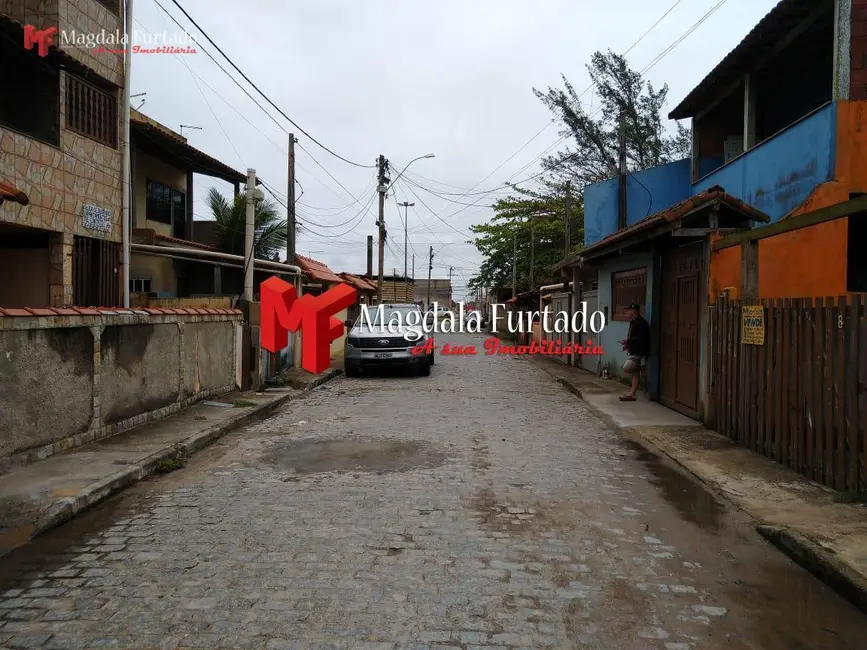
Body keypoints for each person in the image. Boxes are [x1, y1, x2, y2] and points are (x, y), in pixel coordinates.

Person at [618, 302, 650, 402]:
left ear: (633, 311)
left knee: (627, 367)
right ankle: (632, 394)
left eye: (628, 311)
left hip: (639, 351)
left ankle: (640, 367)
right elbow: (632, 337)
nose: (627, 313)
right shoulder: (633, 322)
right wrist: (627, 344)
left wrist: (628, 341)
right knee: (635, 374)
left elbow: (640, 337)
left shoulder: (641, 323)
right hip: (634, 350)